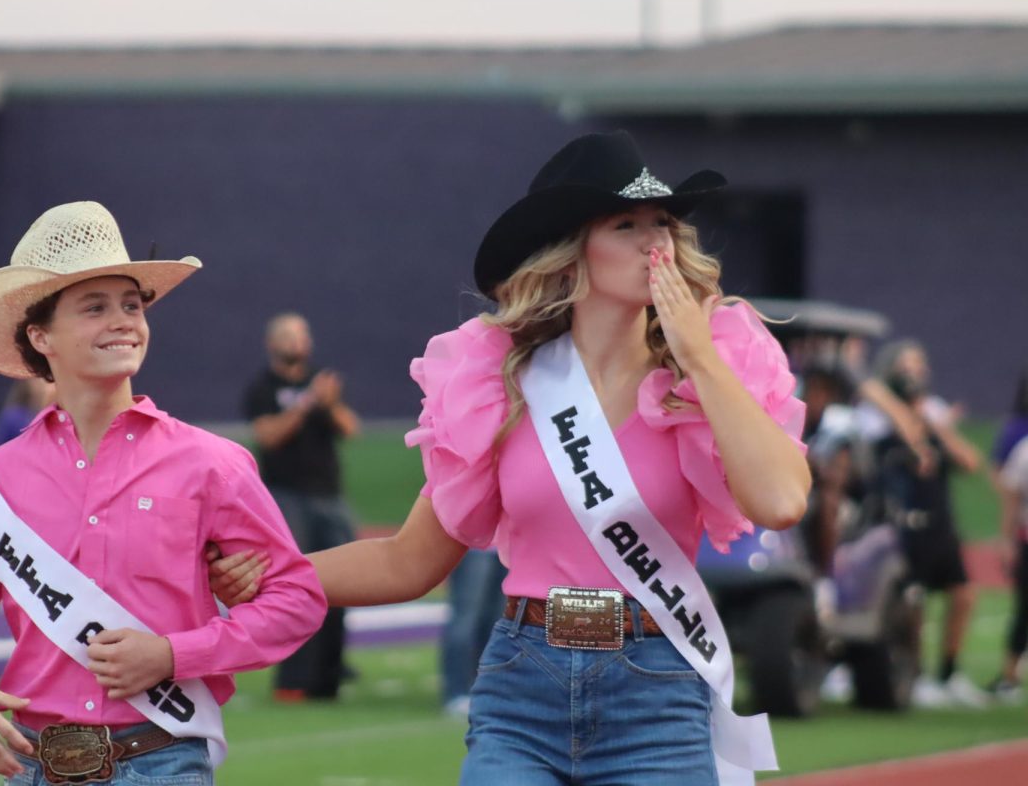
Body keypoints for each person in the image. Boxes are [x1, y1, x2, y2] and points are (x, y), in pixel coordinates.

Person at [214, 131, 810, 785]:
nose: (656, 243)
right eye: (625, 224)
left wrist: (698, 356)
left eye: (662, 222)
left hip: (658, 692)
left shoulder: (714, 373)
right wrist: (272, 571)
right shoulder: (502, 382)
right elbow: (406, 562)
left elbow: (781, 502)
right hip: (523, 689)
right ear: (571, 253)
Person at [0, 201, 326, 784]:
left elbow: (296, 599)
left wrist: (173, 656)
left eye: (132, 305)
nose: (124, 321)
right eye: (95, 307)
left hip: (163, 760)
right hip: (30, 766)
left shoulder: (213, 464)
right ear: (40, 336)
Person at [242, 312, 360, 701]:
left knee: (342, 584)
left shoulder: (322, 381)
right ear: (272, 343)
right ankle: (292, 680)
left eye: (302, 336)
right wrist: (308, 403)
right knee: (296, 586)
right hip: (286, 498)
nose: (298, 343)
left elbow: (349, 429)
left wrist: (329, 404)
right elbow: (270, 436)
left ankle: (330, 676)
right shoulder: (263, 387)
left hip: (329, 495)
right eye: (290, 337)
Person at [863, 340, 987, 708]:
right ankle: (910, 675)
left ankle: (948, 674)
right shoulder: (876, 416)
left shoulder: (933, 415)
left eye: (920, 365)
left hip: (939, 521)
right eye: (907, 366)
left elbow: (969, 462)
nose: (915, 373)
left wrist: (941, 428)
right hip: (902, 522)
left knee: (963, 593)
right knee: (909, 603)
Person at [989, 375, 1028, 703]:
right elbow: (1011, 498)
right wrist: (1007, 541)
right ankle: (1010, 674)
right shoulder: (1024, 450)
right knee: (1024, 608)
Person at [440, 548, 507, 718]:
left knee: (497, 620)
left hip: (508, 544)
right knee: (466, 617)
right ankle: (457, 692)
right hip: (475, 544)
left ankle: (486, 688)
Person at [0, 377, 56, 450]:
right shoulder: (13, 417)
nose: (41, 384)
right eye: (36, 378)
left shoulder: (57, 417)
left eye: (47, 379)